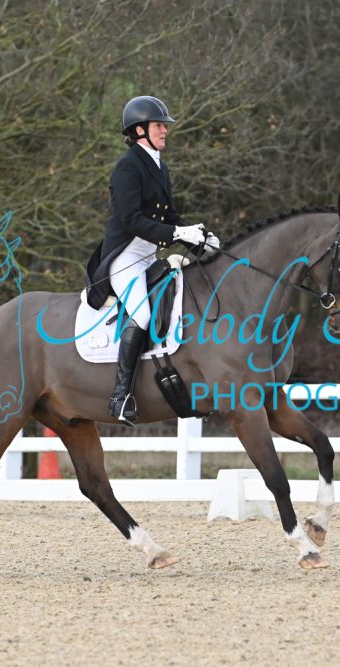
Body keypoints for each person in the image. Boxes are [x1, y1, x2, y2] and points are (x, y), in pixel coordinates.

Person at [84, 96, 220, 426]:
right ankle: (120, 397)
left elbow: (169, 215)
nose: (165, 131)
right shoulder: (127, 167)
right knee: (143, 314)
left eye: (164, 126)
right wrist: (177, 233)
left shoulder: (159, 166)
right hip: (125, 257)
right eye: (159, 125)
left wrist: (198, 236)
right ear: (139, 130)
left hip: (150, 256)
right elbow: (131, 219)